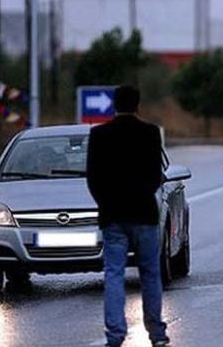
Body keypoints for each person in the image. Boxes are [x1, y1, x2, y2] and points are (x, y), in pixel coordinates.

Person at [86, 85, 169, 347]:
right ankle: (156, 334)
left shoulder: (99, 135)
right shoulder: (150, 133)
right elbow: (156, 176)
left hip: (113, 215)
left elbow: (93, 178)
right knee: (150, 274)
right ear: (138, 105)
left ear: (114, 105)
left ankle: (115, 335)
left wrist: (106, 203)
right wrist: (143, 194)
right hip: (144, 213)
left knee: (113, 274)